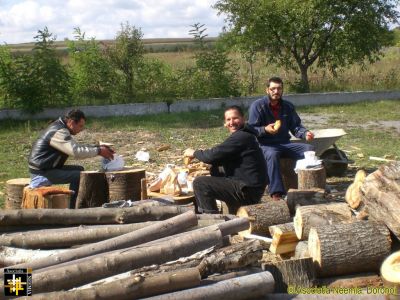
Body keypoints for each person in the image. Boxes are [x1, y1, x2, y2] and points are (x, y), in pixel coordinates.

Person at [184, 105, 267, 214]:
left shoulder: (242, 137)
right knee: (215, 170)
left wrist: (194, 153)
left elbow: (213, 155)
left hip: (248, 191)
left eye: (235, 118)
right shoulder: (246, 134)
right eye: (228, 119)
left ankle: (211, 220)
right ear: (225, 123)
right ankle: (229, 211)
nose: (231, 122)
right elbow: (220, 156)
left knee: (201, 183)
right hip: (250, 187)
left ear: (243, 119)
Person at [28, 109, 114, 208]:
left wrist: (97, 147)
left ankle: (75, 204)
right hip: (41, 172)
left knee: (80, 169)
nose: (81, 129)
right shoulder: (59, 131)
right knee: (79, 176)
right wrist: (99, 151)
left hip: (45, 167)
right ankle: (73, 209)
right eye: (80, 126)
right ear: (71, 122)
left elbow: (75, 147)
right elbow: (75, 151)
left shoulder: (60, 127)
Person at [248, 76, 314, 201]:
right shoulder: (258, 106)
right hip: (265, 144)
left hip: (285, 143)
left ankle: (308, 187)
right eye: (273, 89)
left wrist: (305, 133)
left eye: (279, 89)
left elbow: (295, 126)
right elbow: (251, 129)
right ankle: (276, 193)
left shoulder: (287, 107)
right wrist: (264, 129)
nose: (276, 92)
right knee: (272, 155)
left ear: (282, 90)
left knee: (309, 150)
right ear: (267, 90)